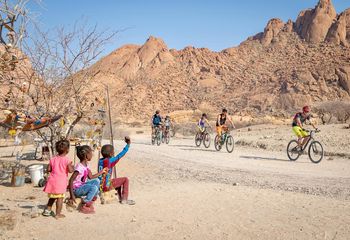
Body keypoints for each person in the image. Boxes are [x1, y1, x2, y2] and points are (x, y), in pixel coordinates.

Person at [68, 145, 107, 214]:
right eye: (91, 153)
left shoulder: (86, 165)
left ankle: (93, 197)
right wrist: (72, 195)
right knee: (94, 187)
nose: (92, 155)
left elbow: (91, 177)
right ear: (86, 156)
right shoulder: (79, 167)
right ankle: (84, 204)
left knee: (97, 180)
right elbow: (71, 180)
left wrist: (101, 172)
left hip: (83, 186)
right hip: (77, 189)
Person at [98, 137, 135, 205]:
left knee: (116, 180)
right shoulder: (110, 161)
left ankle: (119, 197)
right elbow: (120, 155)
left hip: (99, 185)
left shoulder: (100, 161)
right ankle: (124, 199)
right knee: (125, 180)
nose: (114, 153)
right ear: (111, 154)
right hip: (106, 186)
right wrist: (128, 144)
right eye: (113, 152)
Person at [42, 139, 74, 219]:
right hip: (61, 182)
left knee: (52, 197)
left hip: (52, 181)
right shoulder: (67, 160)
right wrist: (72, 167)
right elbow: (70, 171)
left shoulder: (53, 159)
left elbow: (49, 169)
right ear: (67, 150)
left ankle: (47, 211)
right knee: (60, 198)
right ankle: (58, 214)